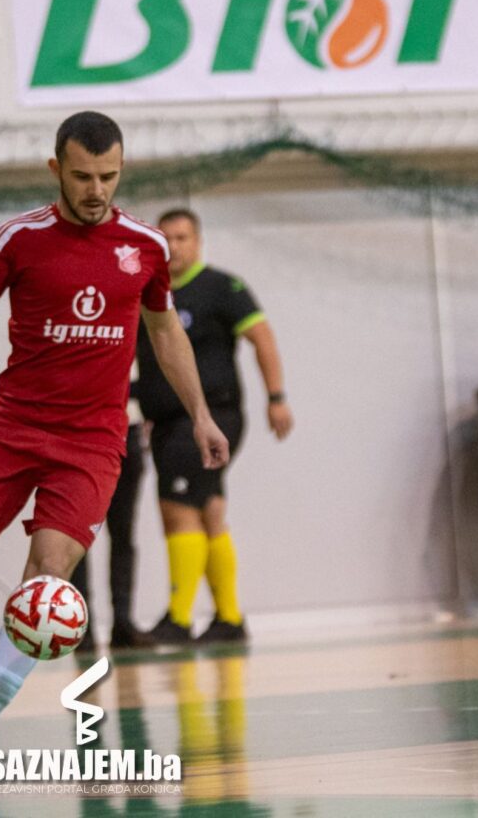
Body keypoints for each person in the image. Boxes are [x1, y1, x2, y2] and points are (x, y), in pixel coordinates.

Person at [0, 111, 229, 775]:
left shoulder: (145, 247)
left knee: (44, 586)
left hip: (93, 441)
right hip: (14, 428)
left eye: (109, 175)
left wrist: (202, 413)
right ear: (56, 170)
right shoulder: (18, 240)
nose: (96, 188)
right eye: (82, 176)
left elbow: (165, 334)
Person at [136, 208, 293, 645]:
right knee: (210, 511)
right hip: (167, 423)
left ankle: (179, 619)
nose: (174, 246)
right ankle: (229, 618)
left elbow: (262, 337)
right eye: (166, 238)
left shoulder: (221, 288)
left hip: (209, 418)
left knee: (178, 509)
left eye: (182, 237)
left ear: (198, 241)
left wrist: (276, 397)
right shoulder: (147, 294)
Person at [71, 366, 154, 651]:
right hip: (82, 430)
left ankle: (123, 621)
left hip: (126, 429)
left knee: (123, 534)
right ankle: (82, 626)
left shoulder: (134, 327)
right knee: (77, 538)